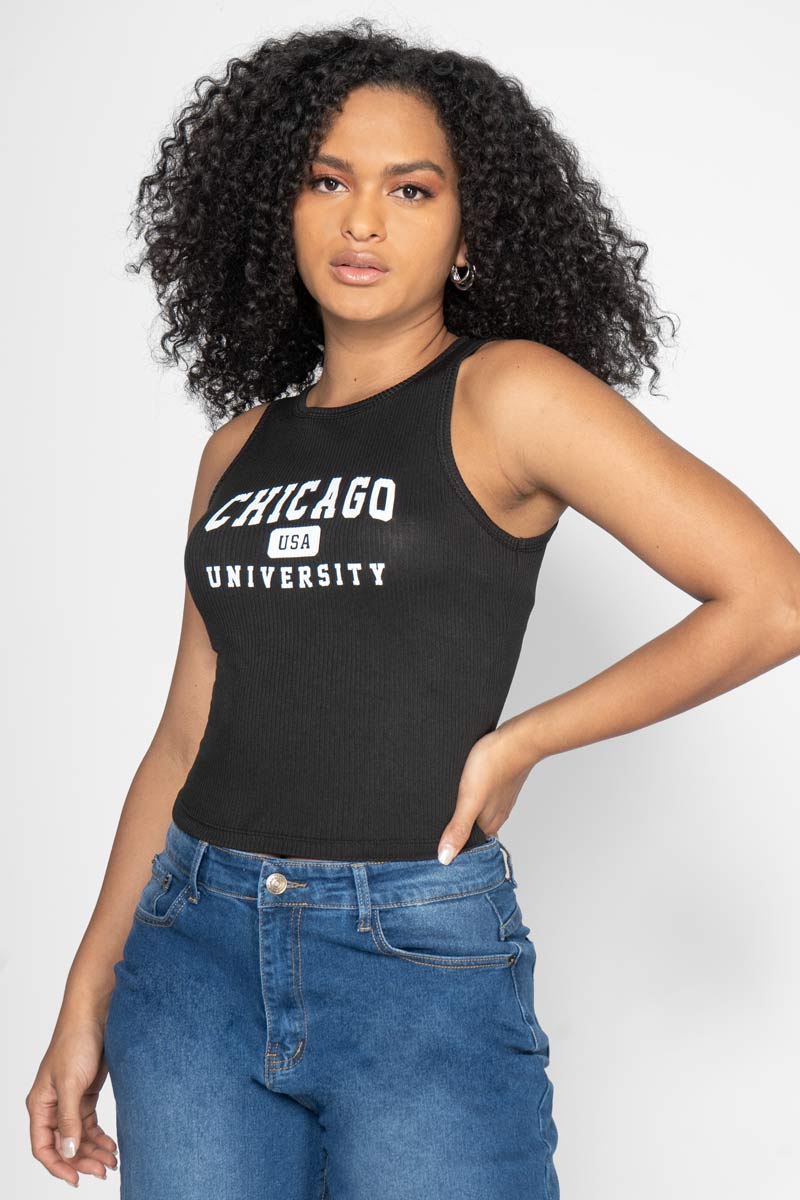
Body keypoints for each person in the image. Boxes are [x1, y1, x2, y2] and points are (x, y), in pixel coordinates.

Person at [26, 18, 800, 1199]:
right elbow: (182, 738)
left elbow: (771, 597)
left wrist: (524, 738)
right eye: (325, 181)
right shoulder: (237, 449)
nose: (362, 222)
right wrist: (85, 997)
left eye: (410, 188)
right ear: (276, 210)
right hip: (191, 953)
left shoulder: (509, 395)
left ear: (467, 228)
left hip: (410, 955)